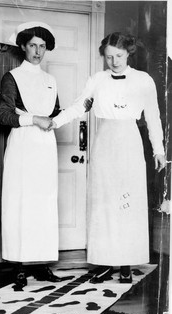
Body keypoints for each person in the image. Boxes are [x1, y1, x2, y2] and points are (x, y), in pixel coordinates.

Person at [50, 32, 166, 283]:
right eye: (109, 57)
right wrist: (54, 122)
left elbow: (153, 117)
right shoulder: (97, 80)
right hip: (104, 143)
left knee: (126, 204)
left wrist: (159, 150)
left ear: (129, 54)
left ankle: (125, 263)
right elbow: (78, 105)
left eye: (119, 56)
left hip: (129, 144)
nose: (114, 61)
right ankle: (104, 262)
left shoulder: (143, 80)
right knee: (102, 204)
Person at [0, 21, 62, 288]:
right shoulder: (13, 77)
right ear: (23, 46)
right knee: (21, 204)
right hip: (23, 146)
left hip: (46, 147)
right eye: (33, 45)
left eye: (43, 46)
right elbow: (4, 115)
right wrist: (34, 119)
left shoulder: (50, 80)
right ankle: (19, 266)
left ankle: (42, 264)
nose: (38, 51)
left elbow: (56, 113)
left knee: (43, 205)